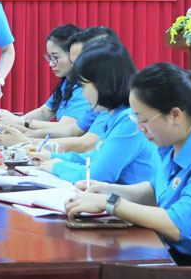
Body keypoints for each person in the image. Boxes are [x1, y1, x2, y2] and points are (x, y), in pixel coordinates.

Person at [66, 62, 191, 266]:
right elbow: (155, 189)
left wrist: (110, 203)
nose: (139, 128)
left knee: (108, 269)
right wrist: (108, 190)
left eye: (143, 120)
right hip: (179, 255)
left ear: (175, 115)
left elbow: (177, 225)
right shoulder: (171, 145)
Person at [31, 42, 158, 185]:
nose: (84, 94)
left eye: (84, 86)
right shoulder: (114, 114)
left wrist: (57, 166)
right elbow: (95, 158)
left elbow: (95, 176)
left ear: (103, 83)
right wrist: (52, 156)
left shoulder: (129, 120)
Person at [0, 24, 95, 137]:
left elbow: (66, 127)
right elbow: (45, 112)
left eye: (55, 57)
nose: (51, 64)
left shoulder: (85, 86)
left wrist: (20, 122)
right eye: (50, 57)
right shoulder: (67, 82)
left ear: (74, 55)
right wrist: (12, 122)